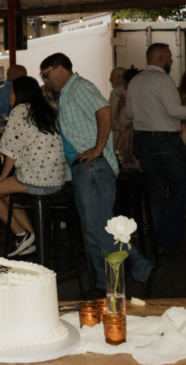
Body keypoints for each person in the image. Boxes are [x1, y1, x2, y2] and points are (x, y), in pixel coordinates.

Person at [40, 52, 157, 296]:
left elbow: (104, 111)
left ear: (60, 68)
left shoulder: (79, 87)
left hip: (93, 167)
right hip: (87, 169)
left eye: (46, 74)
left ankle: (126, 275)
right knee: (97, 228)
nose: (45, 80)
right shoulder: (69, 93)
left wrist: (97, 148)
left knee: (97, 229)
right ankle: (113, 278)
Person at [0, 76, 65, 257]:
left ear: (21, 93)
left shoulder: (20, 111)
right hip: (57, 180)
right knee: (5, 194)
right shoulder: (45, 111)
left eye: (12, 91)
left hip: (36, 179)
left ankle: (20, 233)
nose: (9, 95)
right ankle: (32, 237)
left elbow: (11, 149)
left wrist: (2, 175)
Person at [127, 43, 186, 254]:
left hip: (142, 143)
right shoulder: (163, 79)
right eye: (169, 57)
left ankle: (156, 241)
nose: (171, 61)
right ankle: (168, 241)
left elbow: (130, 112)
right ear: (161, 58)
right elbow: (174, 110)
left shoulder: (134, 81)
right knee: (181, 189)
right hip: (165, 142)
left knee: (156, 191)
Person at [114, 69, 141, 170]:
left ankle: (117, 150)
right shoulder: (135, 92)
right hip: (132, 127)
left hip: (128, 126)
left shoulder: (126, 92)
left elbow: (116, 114)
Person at [108, 67, 126, 145]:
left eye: (111, 76)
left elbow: (112, 114)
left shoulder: (116, 92)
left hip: (118, 131)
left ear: (118, 77)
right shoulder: (129, 90)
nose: (110, 79)